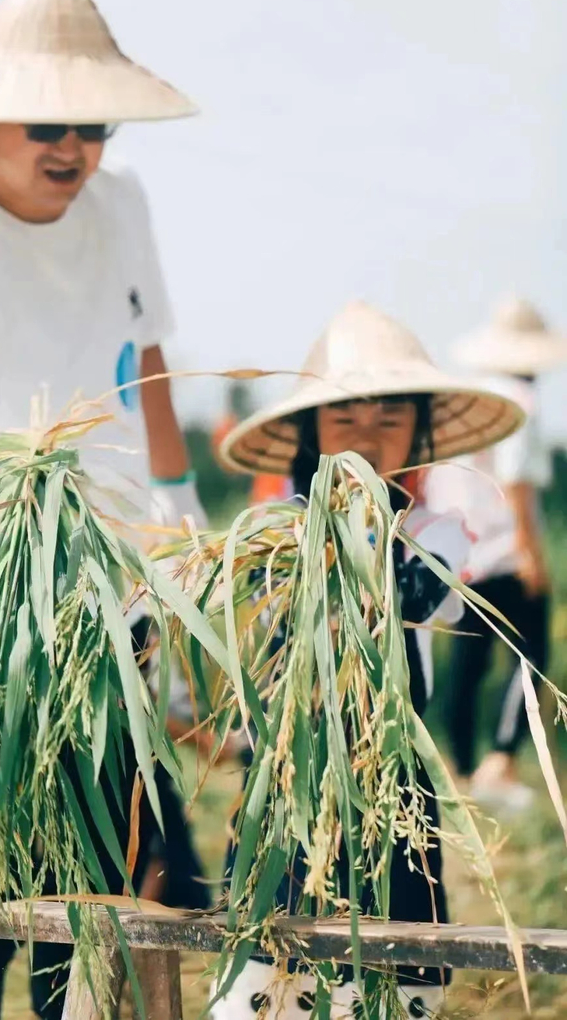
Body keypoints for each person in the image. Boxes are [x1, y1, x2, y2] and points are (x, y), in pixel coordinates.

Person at [0, 0, 207, 1017]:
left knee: (89, 898)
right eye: (45, 126)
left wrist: (175, 502)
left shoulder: (121, 206)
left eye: (92, 125)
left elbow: (147, 352)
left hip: (113, 609)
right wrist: (34, 494)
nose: (70, 150)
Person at [212, 302, 524, 1020]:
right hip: (288, 772)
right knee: (271, 964)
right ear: (309, 431)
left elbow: (414, 598)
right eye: (345, 419)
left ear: (418, 431)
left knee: (390, 961)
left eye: (390, 419)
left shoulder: (434, 536)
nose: (367, 437)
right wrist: (312, 527)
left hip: (391, 779)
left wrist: (361, 523)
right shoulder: (270, 533)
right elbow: (261, 608)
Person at [424, 297, 567, 811]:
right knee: (532, 659)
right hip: (506, 551)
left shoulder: (469, 403)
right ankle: (500, 760)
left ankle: (460, 772)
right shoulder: (520, 404)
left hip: (462, 553)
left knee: (467, 660)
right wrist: (533, 553)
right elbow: (517, 481)